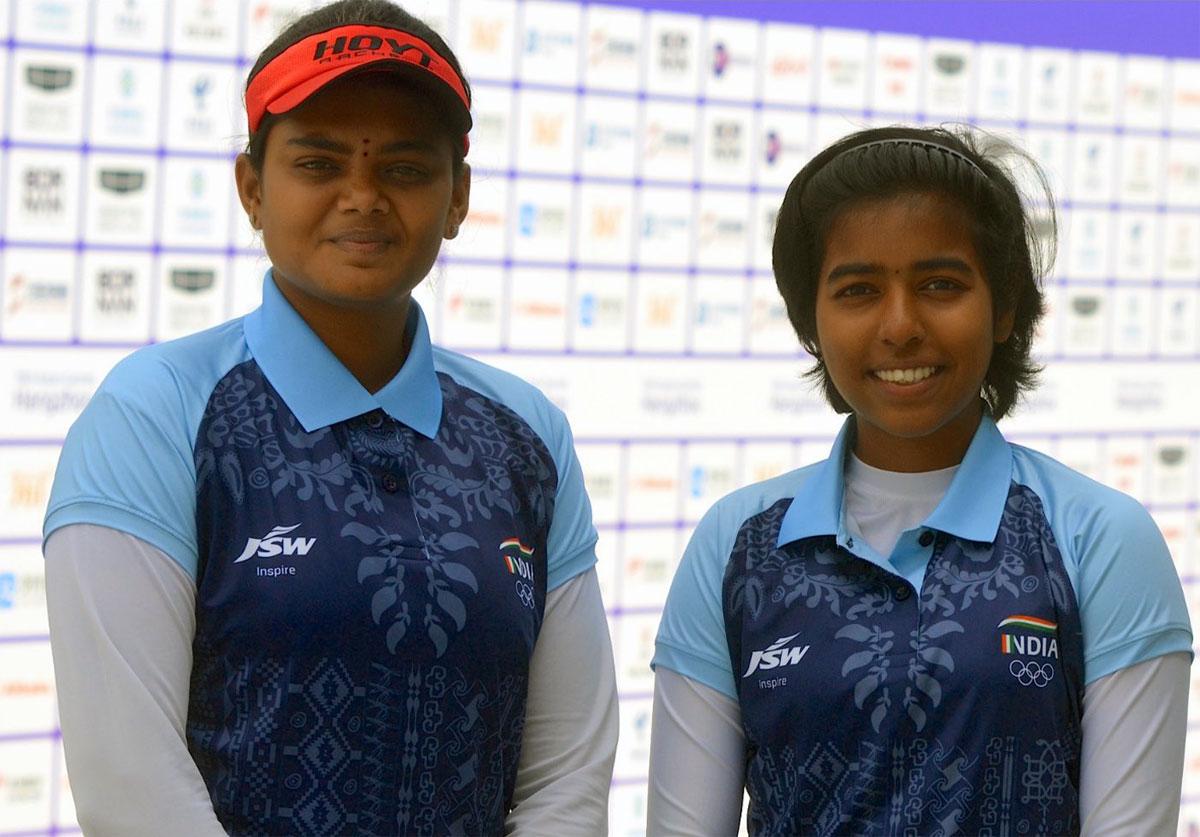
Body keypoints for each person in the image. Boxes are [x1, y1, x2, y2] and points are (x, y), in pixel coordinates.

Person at [42, 2, 617, 834]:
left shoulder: (527, 433)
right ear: (252, 188)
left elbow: (567, 773)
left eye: (408, 169)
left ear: (458, 199)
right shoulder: (155, 410)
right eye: (317, 162)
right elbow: (132, 787)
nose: (363, 197)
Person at [648, 126, 1191, 836]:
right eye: (858, 289)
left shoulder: (1101, 539)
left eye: (941, 284)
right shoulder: (738, 544)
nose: (900, 325)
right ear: (811, 321)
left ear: (1005, 311)